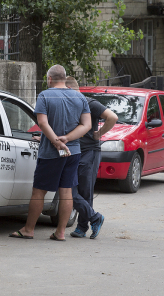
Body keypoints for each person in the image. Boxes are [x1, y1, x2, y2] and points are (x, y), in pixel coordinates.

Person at [9, 65, 91, 241]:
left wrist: (55, 142)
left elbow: (42, 122)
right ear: (64, 77)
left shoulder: (45, 95)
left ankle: (29, 229)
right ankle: (60, 232)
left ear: (50, 79)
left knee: (39, 192)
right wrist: (66, 139)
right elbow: (86, 125)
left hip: (50, 153)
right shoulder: (80, 97)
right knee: (66, 191)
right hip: (73, 152)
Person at [65, 77, 118, 239]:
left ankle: (82, 227)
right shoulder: (69, 104)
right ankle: (95, 217)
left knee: (85, 191)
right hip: (73, 152)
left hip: (89, 152)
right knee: (69, 191)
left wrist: (99, 134)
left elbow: (112, 117)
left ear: (68, 88)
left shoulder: (89, 103)